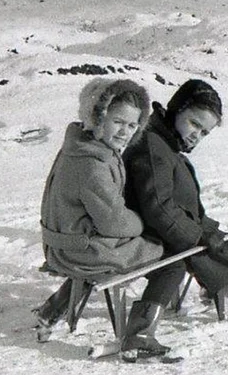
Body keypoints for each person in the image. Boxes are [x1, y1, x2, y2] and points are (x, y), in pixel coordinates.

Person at [123, 78, 228, 327]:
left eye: (204, 133)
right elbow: (159, 208)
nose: (196, 136)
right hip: (160, 237)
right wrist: (199, 237)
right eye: (194, 123)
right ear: (177, 108)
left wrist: (206, 229)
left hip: (172, 231)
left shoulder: (165, 143)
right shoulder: (154, 148)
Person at [36, 78, 184, 353]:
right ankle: (139, 335)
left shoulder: (79, 146)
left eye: (132, 125)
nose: (125, 131)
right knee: (172, 260)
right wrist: (141, 222)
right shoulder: (93, 165)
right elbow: (114, 221)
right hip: (80, 251)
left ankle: (53, 308)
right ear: (97, 116)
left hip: (65, 242)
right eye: (118, 121)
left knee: (117, 245)